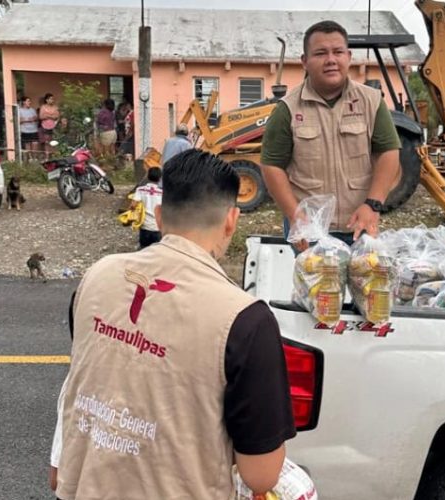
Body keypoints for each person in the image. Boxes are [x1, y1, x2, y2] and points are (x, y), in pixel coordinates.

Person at [49, 149, 294, 499]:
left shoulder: (97, 276)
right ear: (231, 220)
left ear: (160, 217)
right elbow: (261, 475)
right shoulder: (244, 318)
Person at [260, 20, 401, 249]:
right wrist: (295, 216)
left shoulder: (371, 101)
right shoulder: (287, 109)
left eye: (338, 52)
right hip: (310, 230)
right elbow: (271, 165)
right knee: (317, 285)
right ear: (304, 61)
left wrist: (373, 205)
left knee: (363, 282)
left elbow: (389, 152)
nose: (331, 60)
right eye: (320, 53)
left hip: (359, 224)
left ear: (349, 56)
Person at [133, 167, 163, 249]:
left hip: (145, 226)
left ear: (147, 176)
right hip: (157, 227)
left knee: (144, 249)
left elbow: (133, 205)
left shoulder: (140, 190)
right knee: (157, 251)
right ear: (160, 178)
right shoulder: (163, 193)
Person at [18, 96, 40, 160]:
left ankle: (35, 158)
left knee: (35, 144)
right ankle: (30, 158)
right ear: (24, 102)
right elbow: (19, 120)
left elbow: (36, 118)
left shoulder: (32, 110)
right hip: (25, 131)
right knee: (27, 145)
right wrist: (28, 120)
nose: (29, 102)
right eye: (28, 101)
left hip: (34, 130)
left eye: (30, 101)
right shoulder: (19, 110)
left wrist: (33, 118)